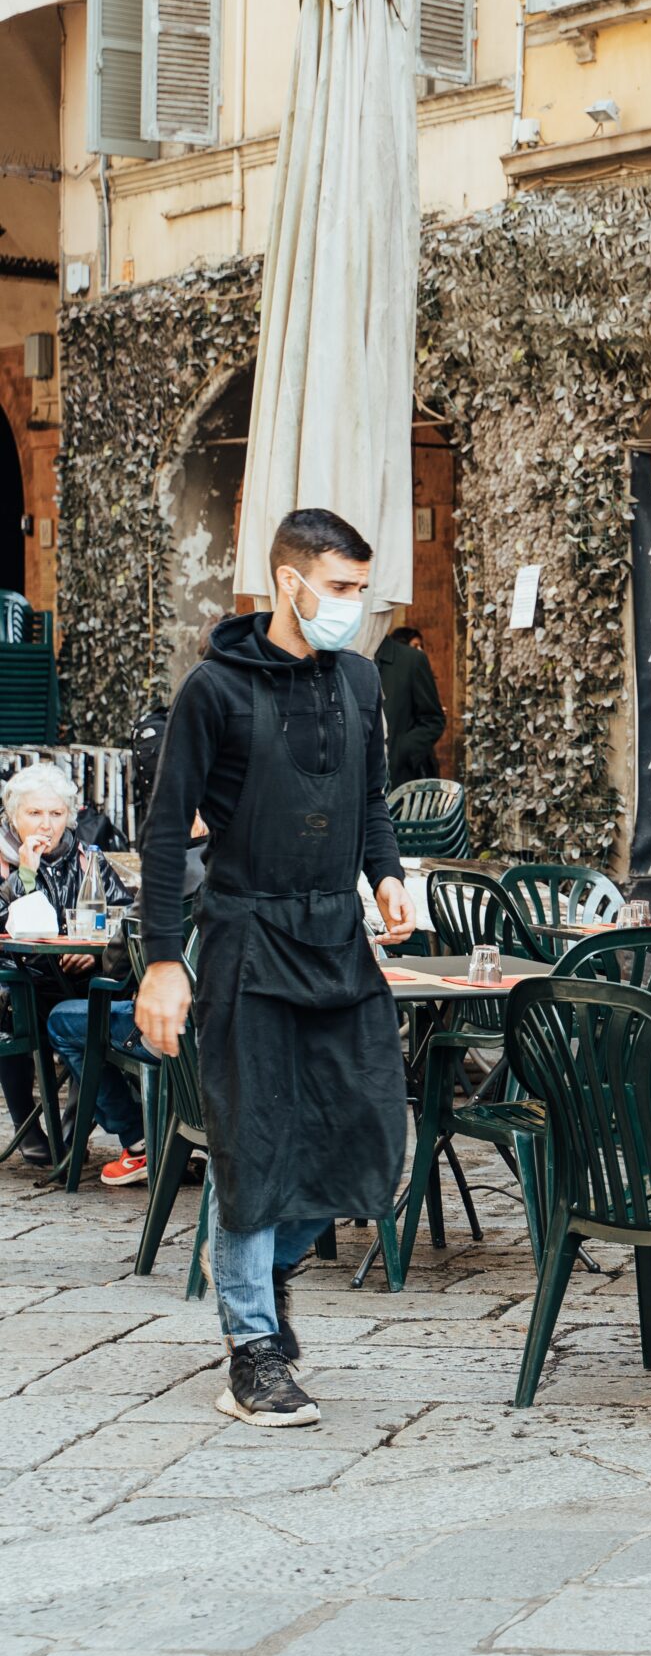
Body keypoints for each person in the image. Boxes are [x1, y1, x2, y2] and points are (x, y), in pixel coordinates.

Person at [135, 507, 417, 1430]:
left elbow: (372, 799)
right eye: (340, 587)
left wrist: (387, 878)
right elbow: (167, 831)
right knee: (253, 1138)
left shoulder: (365, 680)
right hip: (246, 938)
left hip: (339, 937)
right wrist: (163, 961)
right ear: (289, 582)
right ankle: (252, 1345)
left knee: (372, 1131)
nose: (354, 605)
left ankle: (257, 1264)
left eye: (360, 589)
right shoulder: (211, 690)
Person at [1, 763, 134, 1178]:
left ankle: (71, 1139)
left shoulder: (88, 861)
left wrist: (96, 956)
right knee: (11, 1015)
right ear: (13, 817)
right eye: (35, 814)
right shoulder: (5, 865)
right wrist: (26, 872)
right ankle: (32, 1136)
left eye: (56, 814)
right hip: (21, 988)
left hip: (81, 985)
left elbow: (125, 921)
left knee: (89, 1012)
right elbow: (11, 923)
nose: (46, 824)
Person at [372, 625, 446, 786]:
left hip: (398, 781)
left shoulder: (411, 660)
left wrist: (401, 752)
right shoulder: (338, 657)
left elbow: (433, 719)